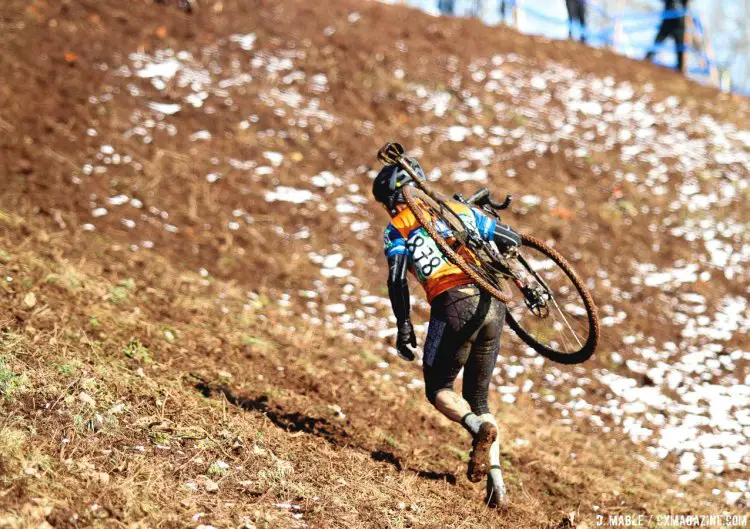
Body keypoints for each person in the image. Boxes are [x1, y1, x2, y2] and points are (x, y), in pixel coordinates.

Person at [373, 157, 522, 507]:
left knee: (438, 388)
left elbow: (396, 279)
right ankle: (497, 485)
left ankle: (474, 427)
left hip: (453, 304)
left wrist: (403, 324)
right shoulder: (455, 209)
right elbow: (507, 238)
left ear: (392, 199)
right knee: (480, 396)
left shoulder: (397, 228)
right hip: (493, 305)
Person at [645, 0, 689, 72]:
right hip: (666, 24)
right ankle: (646, 61)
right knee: (656, 44)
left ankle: (680, 71)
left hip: (679, 26)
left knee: (680, 49)